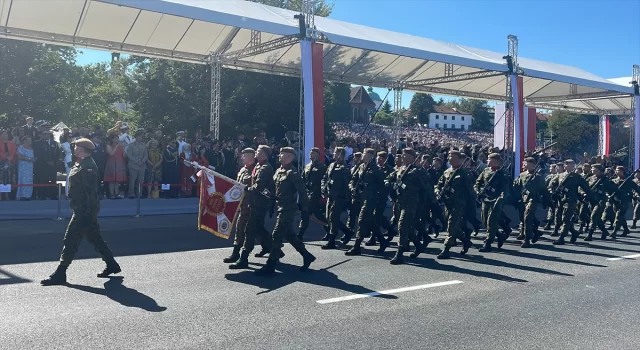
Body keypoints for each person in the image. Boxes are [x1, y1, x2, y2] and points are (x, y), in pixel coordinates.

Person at [41, 138, 121, 286]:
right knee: (94, 238)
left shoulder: (88, 167)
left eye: (76, 146)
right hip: (81, 208)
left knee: (70, 239)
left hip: (84, 210)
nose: (74, 148)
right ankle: (111, 264)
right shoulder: (81, 163)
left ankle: (61, 272)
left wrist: (88, 214)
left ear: (82, 148)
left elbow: (91, 193)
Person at [254, 147, 315, 276]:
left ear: (289, 157)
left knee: (277, 234)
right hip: (279, 206)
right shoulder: (278, 171)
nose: (279, 156)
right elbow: (274, 191)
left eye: (282, 154)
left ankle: (270, 264)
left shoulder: (293, 173)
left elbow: (302, 192)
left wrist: (305, 209)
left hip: (288, 208)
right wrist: (271, 204)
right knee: (289, 235)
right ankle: (307, 256)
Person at [435, 150, 472, 259]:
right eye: (449, 157)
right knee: (452, 225)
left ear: (459, 159)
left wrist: (470, 206)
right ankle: (466, 241)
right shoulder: (447, 172)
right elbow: (438, 185)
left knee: (451, 226)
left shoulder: (463, 173)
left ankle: (446, 249)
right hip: (448, 203)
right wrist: (438, 192)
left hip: (458, 204)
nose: (450, 159)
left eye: (453, 157)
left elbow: (469, 191)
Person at [473, 153, 510, 252]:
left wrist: (500, 200)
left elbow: (505, 190)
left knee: (491, 222)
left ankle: (488, 243)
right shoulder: (485, 171)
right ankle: (499, 235)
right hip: (485, 199)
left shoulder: (502, 174)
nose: (487, 160)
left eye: (490, 159)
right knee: (485, 220)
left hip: (495, 201)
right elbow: (477, 183)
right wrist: (478, 191)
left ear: (496, 161)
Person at [320, 147, 353, 250]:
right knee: (328, 217)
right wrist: (323, 188)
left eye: (335, 153)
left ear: (341, 155)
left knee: (333, 217)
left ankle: (332, 240)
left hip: (339, 196)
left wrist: (346, 197)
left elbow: (347, 183)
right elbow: (325, 178)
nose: (333, 154)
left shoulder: (344, 168)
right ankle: (347, 231)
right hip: (330, 195)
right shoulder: (331, 165)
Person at [514, 157, 551, 247]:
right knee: (525, 218)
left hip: (533, 199)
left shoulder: (537, 176)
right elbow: (517, 185)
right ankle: (536, 232)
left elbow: (543, 190)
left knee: (527, 218)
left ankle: (527, 239)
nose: (524, 164)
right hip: (524, 199)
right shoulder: (522, 174)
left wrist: (547, 201)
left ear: (532, 164)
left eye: (526, 163)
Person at [298, 147, 329, 240]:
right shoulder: (307, 166)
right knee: (318, 214)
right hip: (307, 193)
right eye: (311, 153)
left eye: (313, 153)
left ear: (318, 155)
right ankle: (329, 229)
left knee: (306, 213)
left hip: (316, 193)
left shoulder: (321, 166)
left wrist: (323, 192)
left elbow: (325, 180)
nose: (311, 155)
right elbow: (302, 179)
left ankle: (300, 234)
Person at [16, 136, 36, 201]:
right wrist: (29, 159)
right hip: (23, 167)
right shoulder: (21, 147)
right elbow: (19, 157)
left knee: (29, 180)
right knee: (23, 180)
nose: (30, 141)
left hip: (30, 167)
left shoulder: (31, 148)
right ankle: (22, 195)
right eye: (29, 140)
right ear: (25, 141)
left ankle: (28, 195)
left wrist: (33, 159)